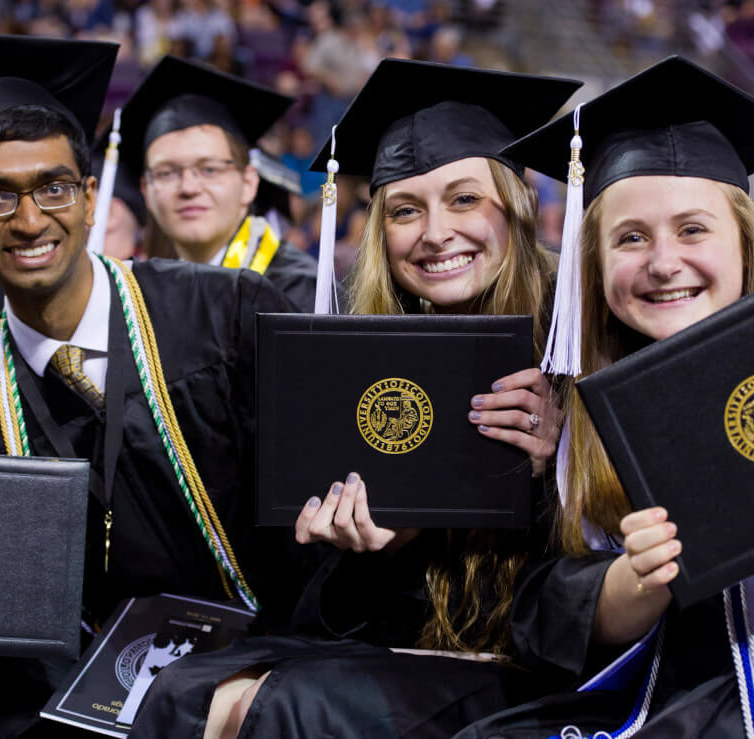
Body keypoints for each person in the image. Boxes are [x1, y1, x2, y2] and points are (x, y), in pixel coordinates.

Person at [0, 31, 308, 737]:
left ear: (87, 193)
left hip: (260, 681)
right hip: (77, 708)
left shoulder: (227, 314)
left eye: (52, 187)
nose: (29, 220)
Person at [457, 55, 754, 738]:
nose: (664, 261)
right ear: (595, 263)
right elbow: (535, 608)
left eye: (693, 229)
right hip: (661, 698)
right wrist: (625, 590)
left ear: (745, 243)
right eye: (631, 238)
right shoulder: (570, 411)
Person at [130, 58, 581, 739]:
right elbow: (343, 606)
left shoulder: (574, 345)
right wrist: (375, 546)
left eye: (464, 199)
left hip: (530, 666)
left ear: (518, 203)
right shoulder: (366, 362)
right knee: (181, 691)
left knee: (273, 708)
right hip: (404, 645)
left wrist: (561, 457)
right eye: (404, 209)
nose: (434, 233)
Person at [116, 55, 320, 311]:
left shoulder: (301, 297)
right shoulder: (138, 300)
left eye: (209, 169)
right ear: (146, 190)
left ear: (248, 183)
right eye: (167, 173)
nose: (188, 188)